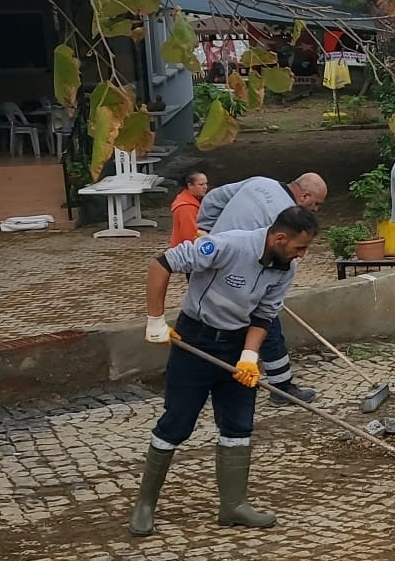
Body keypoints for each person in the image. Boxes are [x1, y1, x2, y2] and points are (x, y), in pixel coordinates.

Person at [128, 206, 320, 536]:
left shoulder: (285, 268)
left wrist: (248, 356)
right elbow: (161, 264)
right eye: (299, 247)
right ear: (279, 237)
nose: (301, 255)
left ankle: (234, 505)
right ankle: (145, 504)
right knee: (177, 422)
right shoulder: (227, 245)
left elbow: (264, 316)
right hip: (197, 339)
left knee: (238, 424)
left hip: (237, 344)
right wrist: (155, 320)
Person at [197, 173, 329, 405]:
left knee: (221, 325)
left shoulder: (259, 182)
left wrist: (207, 232)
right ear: (304, 195)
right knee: (264, 322)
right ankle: (281, 387)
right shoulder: (288, 219)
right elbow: (281, 255)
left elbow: (212, 199)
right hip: (238, 270)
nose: (315, 209)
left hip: (212, 263)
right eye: (315, 203)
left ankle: (218, 382)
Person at [168, 171, 209, 247]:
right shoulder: (186, 207)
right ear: (190, 185)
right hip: (185, 251)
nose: (205, 187)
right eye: (201, 184)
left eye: (206, 184)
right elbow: (190, 235)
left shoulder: (189, 200)